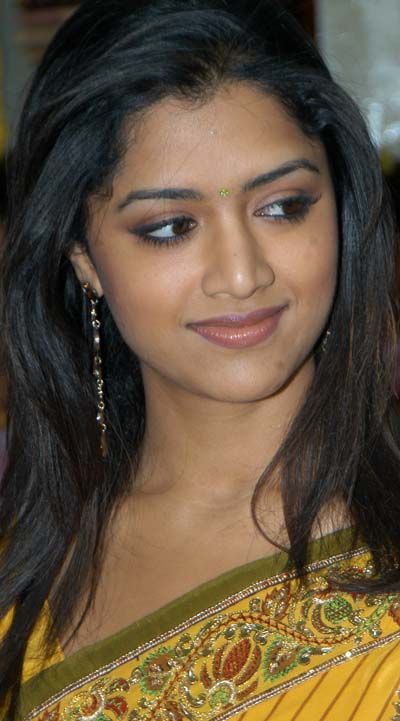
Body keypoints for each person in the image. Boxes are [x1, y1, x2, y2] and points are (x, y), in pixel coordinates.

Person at [1, 1, 400, 719]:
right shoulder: (25, 560)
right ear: (83, 257)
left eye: (283, 206)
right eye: (170, 227)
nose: (242, 275)